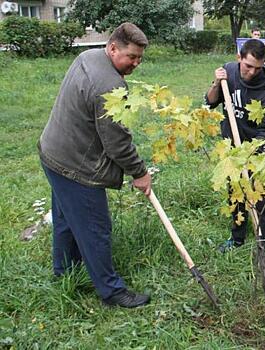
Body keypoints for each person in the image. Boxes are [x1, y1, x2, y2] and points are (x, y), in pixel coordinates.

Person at [38, 23, 152, 308]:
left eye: (140, 58)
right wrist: (139, 172)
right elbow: (117, 143)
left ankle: (65, 272)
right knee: (96, 228)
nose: (136, 63)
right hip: (76, 167)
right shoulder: (110, 86)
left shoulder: (88, 56)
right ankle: (111, 292)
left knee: (65, 220)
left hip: (52, 153)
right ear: (113, 48)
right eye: (131, 57)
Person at [205, 39, 265, 253]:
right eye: (248, 66)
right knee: (236, 194)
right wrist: (217, 83)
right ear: (239, 58)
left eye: (258, 67)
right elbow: (209, 102)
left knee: (261, 198)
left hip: (256, 153)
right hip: (231, 150)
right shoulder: (228, 72)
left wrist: (250, 154)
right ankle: (236, 239)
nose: (253, 72)